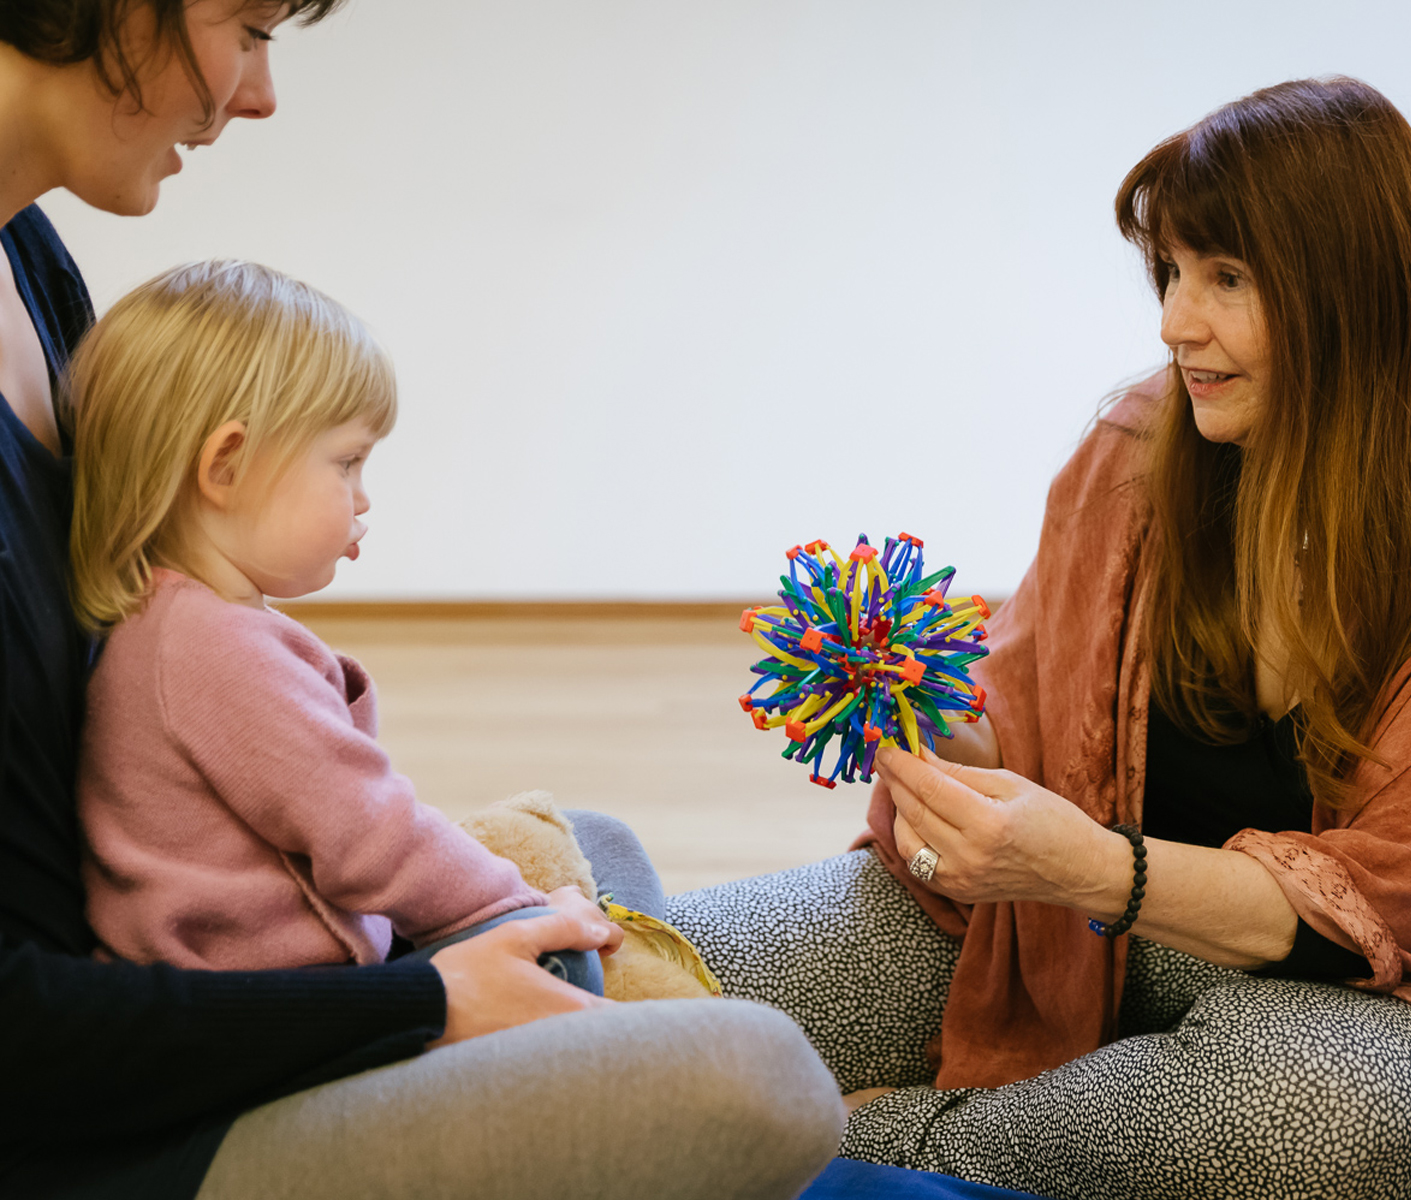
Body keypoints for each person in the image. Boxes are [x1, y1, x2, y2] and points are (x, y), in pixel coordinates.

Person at [666, 76, 1411, 1200]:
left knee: (1314, 1123)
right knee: (639, 989)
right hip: (1064, 932)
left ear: (1355, 294)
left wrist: (1083, 865)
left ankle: (896, 1141)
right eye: (1169, 272)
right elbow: (1022, 729)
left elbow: (1394, 906)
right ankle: (1065, 1104)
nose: (1173, 323)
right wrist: (954, 745)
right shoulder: (1139, 443)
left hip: (1372, 1000)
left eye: (1227, 279)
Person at [0, 3, 843, 1198]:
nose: (260, 94)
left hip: (195, 987)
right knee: (754, 1069)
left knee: (590, 845)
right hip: (136, 1101)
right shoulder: (209, 647)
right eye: (248, 24)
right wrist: (435, 988)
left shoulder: (30, 267)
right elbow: (356, 832)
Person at [70, 258, 623, 994]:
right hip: (286, 1008)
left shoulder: (180, 622)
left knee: (604, 846)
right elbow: (371, 836)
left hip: (316, 962)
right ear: (226, 465)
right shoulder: (211, 649)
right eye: (348, 462)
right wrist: (516, 911)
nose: (363, 498)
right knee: (564, 956)